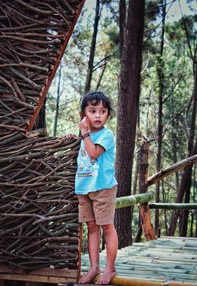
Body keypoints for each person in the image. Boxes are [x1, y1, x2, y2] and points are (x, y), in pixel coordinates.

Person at [75, 91, 118, 285]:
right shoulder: (85, 135)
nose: (98, 115)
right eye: (93, 111)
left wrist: (83, 133)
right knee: (92, 227)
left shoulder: (106, 135)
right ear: (84, 114)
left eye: (103, 111)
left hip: (103, 188)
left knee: (107, 227)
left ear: (108, 114)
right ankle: (94, 267)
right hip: (84, 187)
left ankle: (110, 268)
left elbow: (93, 153)